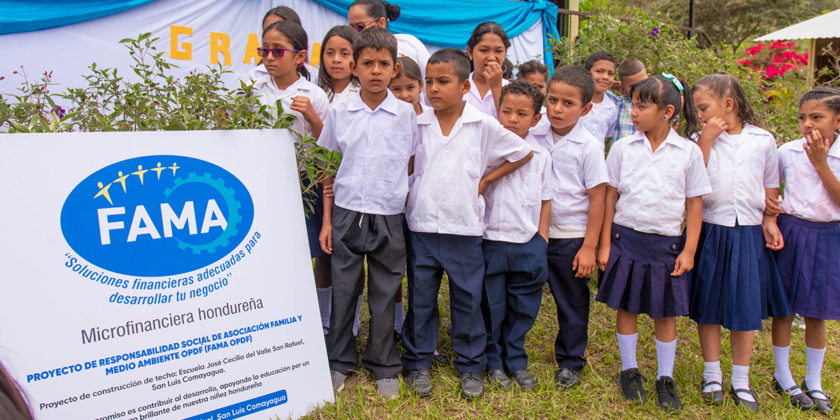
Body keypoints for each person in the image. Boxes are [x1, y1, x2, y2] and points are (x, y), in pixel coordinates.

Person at [402, 48, 533, 401]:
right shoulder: (418, 123)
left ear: (463, 87)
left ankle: (471, 365)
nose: (433, 89)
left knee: (468, 300)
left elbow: (522, 152)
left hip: (465, 230)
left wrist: (487, 181)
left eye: (442, 82)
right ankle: (417, 362)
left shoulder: (482, 124)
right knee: (422, 299)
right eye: (428, 82)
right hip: (423, 227)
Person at [596, 73, 711, 413]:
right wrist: (605, 245)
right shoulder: (622, 148)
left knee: (665, 313)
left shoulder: (688, 153)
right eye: (633, 104)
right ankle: (629, 370)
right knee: (627, 307)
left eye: (641, 106)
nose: (633, 112)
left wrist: (689, 250)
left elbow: (694, 204)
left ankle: (665, 377)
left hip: (667, 246)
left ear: (667, 111)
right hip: (625, 239)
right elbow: (609, 198)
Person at [317, 26, 417, 399]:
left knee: (385, 290)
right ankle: (339, 361)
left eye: (384, 64)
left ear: (396, 67)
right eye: (368, 63)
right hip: (345, 213)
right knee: (345, 290)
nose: (376, 70)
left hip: (389, 215)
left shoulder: (407, 115)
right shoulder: (340, 110)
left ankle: (383, 364)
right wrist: (327, 220)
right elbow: (329, 162)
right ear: (355, 68)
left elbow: (412, 162)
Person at [689, 73, 793, 412]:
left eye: (703, 107)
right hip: (710, 229)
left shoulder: (763, 140)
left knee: (745, 306)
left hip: (747, 231)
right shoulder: (698, 139)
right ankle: (712, 373)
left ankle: (741, 379)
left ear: (728, 105)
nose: (699, 115)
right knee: (708, 303)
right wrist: (705, 139)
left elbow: (769, 185)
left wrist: (770, 218)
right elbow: (690, 181)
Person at [530, 66, 608, 390]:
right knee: (520, 295)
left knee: (572, 302)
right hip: (532, 233)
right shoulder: (533, 135)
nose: (557, 109)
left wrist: (589, 246)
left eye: (568, 103)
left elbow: (598, 199)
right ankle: (506, 352)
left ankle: (571, 360)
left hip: (571, 237)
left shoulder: (589, 146)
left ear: (586, 108)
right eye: (552, 100)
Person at [252, 20, 332, 336]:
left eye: (277, 51)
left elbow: (329, 149)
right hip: (264, 182)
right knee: (270, 250)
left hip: (305, 182)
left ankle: (320, 321)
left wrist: (312, 116)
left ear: (299, 57)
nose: (269, 57)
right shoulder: (254, 90)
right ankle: (274, 314)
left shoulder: (314, 95)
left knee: (311, 251)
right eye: (264, 51)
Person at [765, 87, 840, 415]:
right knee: (785, 308)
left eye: (817, 117)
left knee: (816, 311)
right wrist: (770, 215)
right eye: (802, 118)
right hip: (792, 232)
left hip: (828, 235)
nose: (808, 124)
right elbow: (771, 188)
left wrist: (821, 164)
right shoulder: (788, 152)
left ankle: (814, 380)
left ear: (837, 120)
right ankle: (783, 376)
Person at [480, 80, 551, 391]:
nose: (511, 118)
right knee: (490, 304)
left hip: (527, 242)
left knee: (523, 306)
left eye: (521, 114)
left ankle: (516, 361)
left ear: (536, 119)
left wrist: (542, 239)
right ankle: (493, 361)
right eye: (506, 111)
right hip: (490, 241)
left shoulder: (542, 156)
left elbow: (546, 199)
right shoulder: (487, 151)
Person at [347, 0, 431, 79]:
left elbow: (428, 84)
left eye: (360, 27)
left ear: (381, 23)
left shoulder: (410, 43)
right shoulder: (347, 53)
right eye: (351, 28)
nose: (354, 33)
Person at [243, 7, 318, 84]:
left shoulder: (314, 77)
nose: (273, 31)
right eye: (267, 29)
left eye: (281, 27)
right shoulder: (255, 76)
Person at [465, 22, 511, 118]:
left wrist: (496, 87)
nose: (491, 57)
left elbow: (509, 124)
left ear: (505, 53)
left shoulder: (513, 89)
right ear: (470, 51)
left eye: (498, 51)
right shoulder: (459, 86)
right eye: (484, 50)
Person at [579, 51, 618, 147]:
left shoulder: (611, 108)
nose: (605, 77)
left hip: (596, 159)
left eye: (610, 73)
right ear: (586, 73)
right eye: (599, 71)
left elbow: (607, 134)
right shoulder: (576, 101)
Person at [605, 57, 648, 144]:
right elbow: (589, 83)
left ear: (649, 78)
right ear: (623, 88)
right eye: (633, 86)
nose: (640, 88)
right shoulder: (617, 104)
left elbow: (681, 102)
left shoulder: (658, 103)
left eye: (643, 82)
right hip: (622, 156)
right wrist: (616, 85)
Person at [318, 25, 360, 104]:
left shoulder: (365, 94)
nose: (336, 59)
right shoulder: (314, 92)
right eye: (330, 53)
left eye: (345, 54)